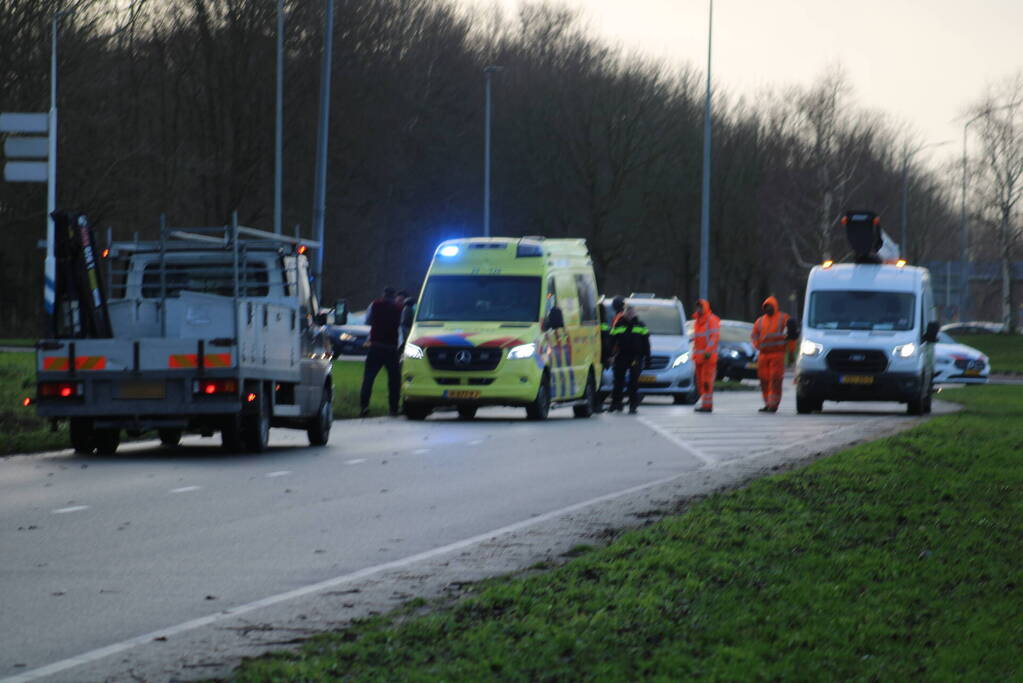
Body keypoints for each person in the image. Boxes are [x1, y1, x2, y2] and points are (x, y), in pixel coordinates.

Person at [751, 295, 798, 413]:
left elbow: (791, 337)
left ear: (775, 306)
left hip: (777, 354)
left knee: (775, 379)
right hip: (763, 355)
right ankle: (767, 403)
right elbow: (754, 336)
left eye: (770, 306)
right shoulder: (760, 321)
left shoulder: (783, 319)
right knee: (764, 380)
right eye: (766, 307)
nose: (768, 309)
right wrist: (758, 346)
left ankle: (773, 404)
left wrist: (791, 352)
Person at [360, 287, 402, 417]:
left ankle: (364, 407)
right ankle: (393, 409)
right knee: (394, 380)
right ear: (394, 296)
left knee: (369, 378)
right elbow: (401, 326)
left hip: (376, 346)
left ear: (383, 295)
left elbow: (367, 321)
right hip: (391, 348)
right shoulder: (399, 308)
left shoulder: (374, 305)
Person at [609, 305, 651, 414]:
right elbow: (612, 341)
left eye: (631, 313)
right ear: (624, 313)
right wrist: (609, 355)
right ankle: (616, 404)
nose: (630, 315)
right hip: (622, 355)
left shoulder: (641, 325)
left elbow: (646, 344)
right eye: (628, 313)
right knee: (618, 381)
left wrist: (647, 358)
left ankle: (633, 405)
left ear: (635, 314)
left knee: (633, 382)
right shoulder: (618, 325)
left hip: (636, 357)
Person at [691, 298, 720, 413]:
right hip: (699, 358)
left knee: (707, 382)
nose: (698, 309)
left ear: (705, 307)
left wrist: (708, 351)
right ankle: (705, 404)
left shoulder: (711, 320)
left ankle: (707, 405)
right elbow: (697, 340)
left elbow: (714, 337)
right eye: (697, 307)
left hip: (708, 358)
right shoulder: (697, 321)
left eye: (700, 307)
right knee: (701, 383)